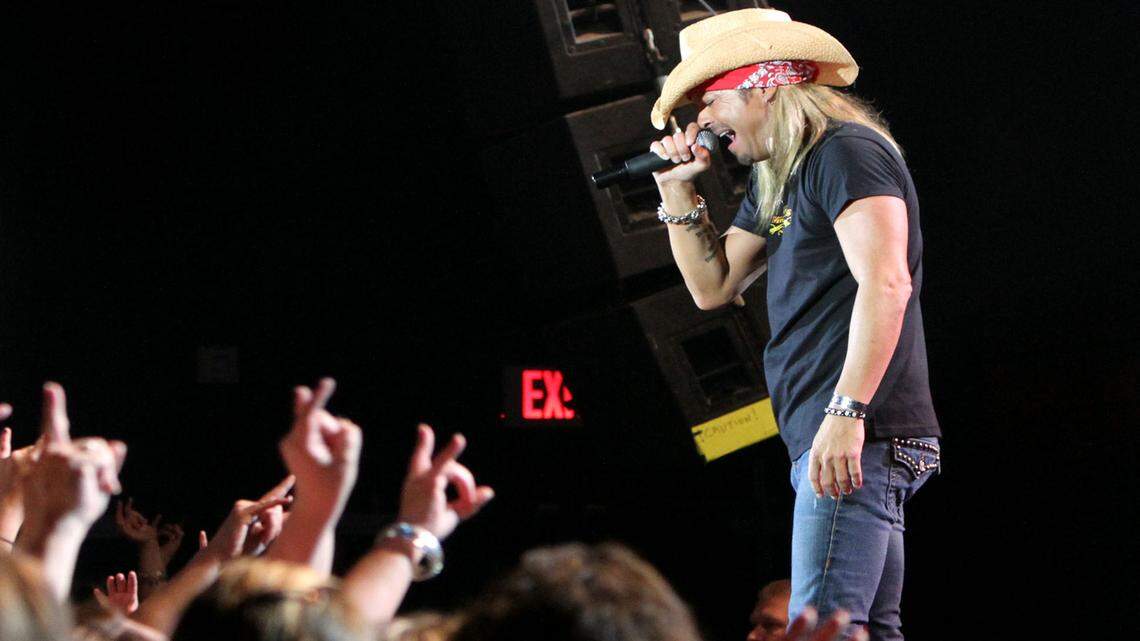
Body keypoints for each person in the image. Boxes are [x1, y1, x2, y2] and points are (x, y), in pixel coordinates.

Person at [646, 8, 941, 640]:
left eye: (710, 101)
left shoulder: (846, 151)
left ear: (763, 85)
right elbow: (712, 287)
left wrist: (847, 413)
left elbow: (886, 282)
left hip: (859, 426)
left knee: (821, 629)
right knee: (867, 631)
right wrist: (676, 192)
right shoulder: (781, 176)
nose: (701, 124)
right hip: (838, 429)